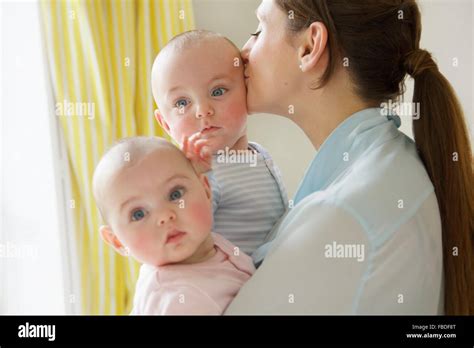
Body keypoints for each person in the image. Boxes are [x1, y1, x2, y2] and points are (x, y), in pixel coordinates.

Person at [225, 0, 473, 314]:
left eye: (258, 30)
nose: (243, 52)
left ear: (309, 46)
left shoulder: (342, 212)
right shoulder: (393, 169)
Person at [151, 30, 288, 256]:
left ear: (247, 88)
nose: (203, 110)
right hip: (225, 287)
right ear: (165, 124)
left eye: (218, 91)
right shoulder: (195, 177)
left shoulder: (259, 155)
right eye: (182, 102)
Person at [92, 137, 255, 314]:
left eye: (175, 194)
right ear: (117, 241)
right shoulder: (176, 301)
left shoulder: (212, 246)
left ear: (206, 190)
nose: (165, 216)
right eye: (138, 214)